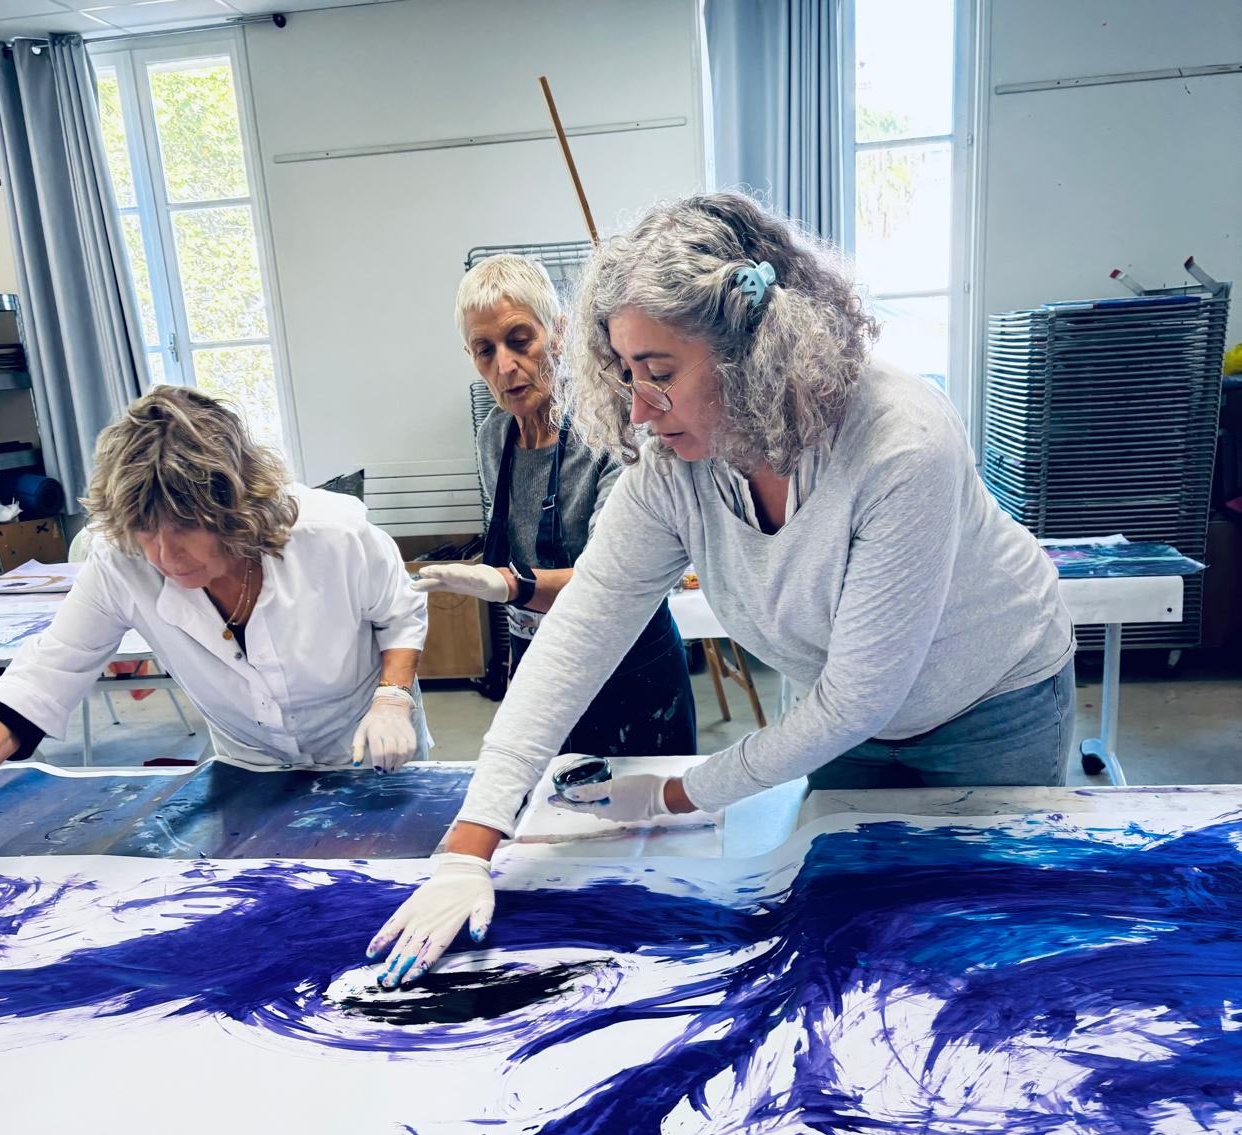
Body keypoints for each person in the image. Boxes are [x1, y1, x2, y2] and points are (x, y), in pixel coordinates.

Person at [368, 193, 1075, 988]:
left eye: (659, 373)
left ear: (754, 351)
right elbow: (577, 639)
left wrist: (678, 792)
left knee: (987, 938)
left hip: (990, 699)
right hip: (846, 720)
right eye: (626, 373)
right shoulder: (673, 465)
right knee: (857, 934)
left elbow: (858, 699)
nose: (639, 409)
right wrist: (469, 847)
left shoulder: (898, 443)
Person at [0, 386, 429, 795]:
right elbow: (44, 676)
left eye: (186, 526)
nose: (165, 555)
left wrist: (392, 699)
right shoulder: (119, 561)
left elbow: (400, 615)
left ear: (236, 508)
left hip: (364, 746)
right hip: (251, 766)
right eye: (146, 530)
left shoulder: (332, 534)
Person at [412, 253, 696, 755]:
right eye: (484, 350)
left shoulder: (612, 428)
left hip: (630, 667)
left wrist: (509, 584)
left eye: (520, 341)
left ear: (559, 333)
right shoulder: (493, 436)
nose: (505, 367)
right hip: (542, 656)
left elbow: (612, 584)